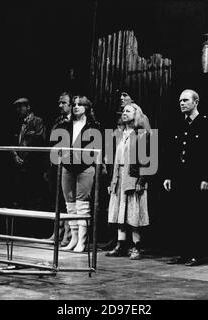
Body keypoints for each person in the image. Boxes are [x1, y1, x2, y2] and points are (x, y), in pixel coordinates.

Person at [163, 89, 208, 267]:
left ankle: (196, 253)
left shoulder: (206, 123)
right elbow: (172, 152)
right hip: (180, 177)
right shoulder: (179, 124)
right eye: (180, 101)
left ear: (196, 102)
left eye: (185, 100)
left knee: (196, 216)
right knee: (180, 215)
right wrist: (168, 175)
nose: (182, 103)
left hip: (197, 178)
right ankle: (183, 252)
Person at [55, 95, 101, 252]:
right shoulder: (64, 125)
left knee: (82, 205)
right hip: (68, 166)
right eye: (74, 104)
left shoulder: (94, 126)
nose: (75, 107)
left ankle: (82, 240)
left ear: (86, 107)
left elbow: (97, 147)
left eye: (79, 104)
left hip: (84, 167)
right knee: (70, 205)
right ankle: (73, 238)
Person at [105, 103, 151, 260]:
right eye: (123, 111)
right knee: (119, 211)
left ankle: (136, 246)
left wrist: (141, 180)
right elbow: (113, 160)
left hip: (133, 176)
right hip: (119, 175)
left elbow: (147, 160)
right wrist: (112, 181)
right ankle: (120, 245)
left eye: (128, 111)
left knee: (133, 212)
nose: (124, 113)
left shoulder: (142, 134)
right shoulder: (119, 133)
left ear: (136, 113)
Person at [45, 92, 72, 245]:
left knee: (65, 199)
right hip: (55, 164)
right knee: (56, 200)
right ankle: (58, 231)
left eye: (63, 102)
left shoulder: (74, 123)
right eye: (59, 102)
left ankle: (68, 233)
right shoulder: (57, 121)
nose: (60, 105)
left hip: (67, 165)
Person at [11, 97, 47, 210]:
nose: (19, 109)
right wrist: (15, 155)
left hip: (33, 165)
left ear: (28, 107)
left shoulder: (37, 121)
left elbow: (39, 141)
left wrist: (25, 159)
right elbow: (11, 142)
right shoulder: (17, 123)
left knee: (33, 197)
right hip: (19, 166)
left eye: (21, 106)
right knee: (19, 197)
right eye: (17, 107)